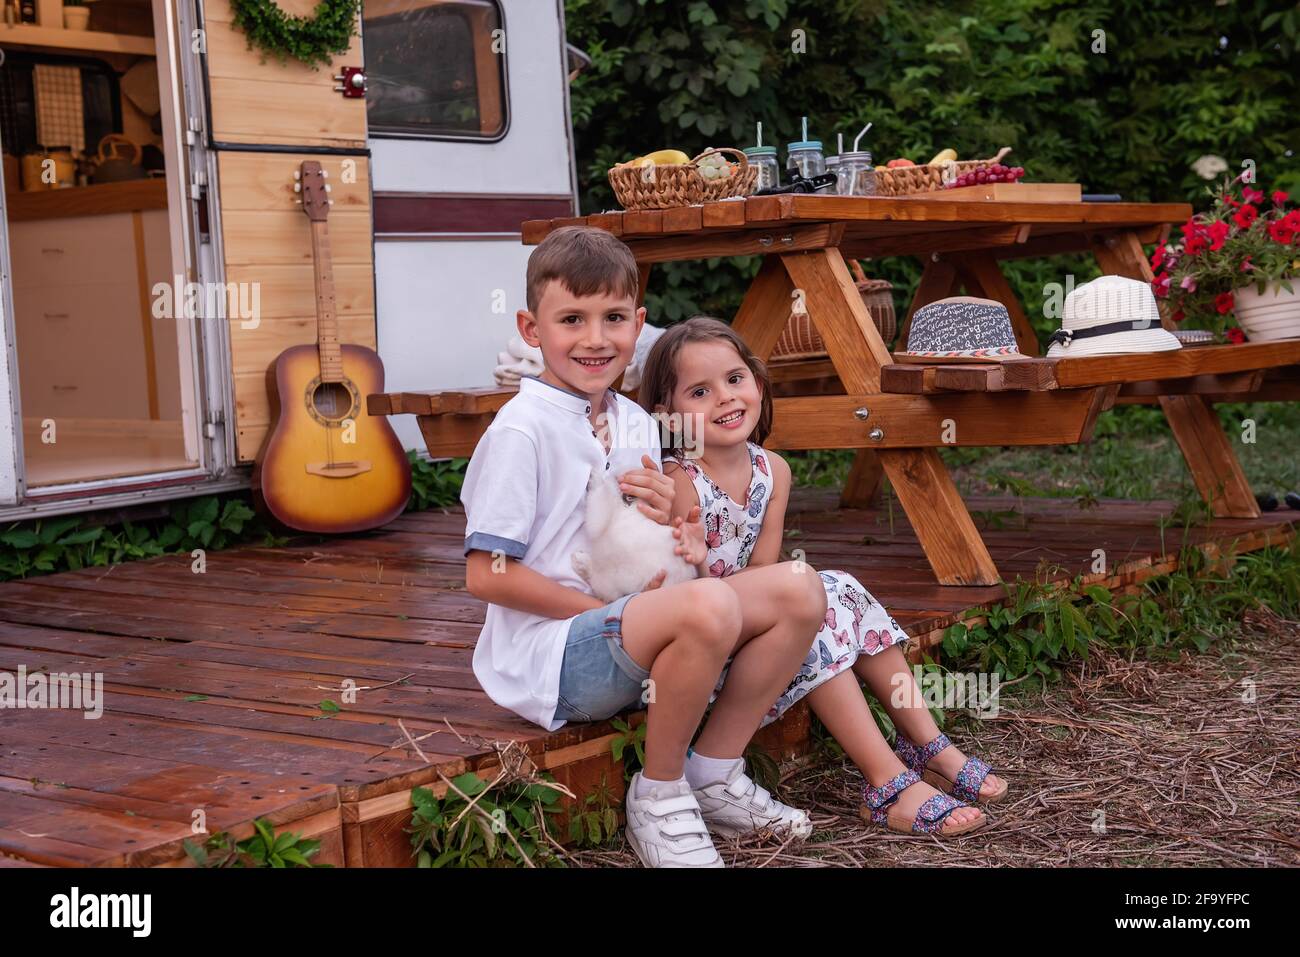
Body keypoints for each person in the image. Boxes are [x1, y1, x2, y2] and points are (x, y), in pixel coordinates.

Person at [461, 228, 827, 866]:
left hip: (639, 627)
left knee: (799, 588)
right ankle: (658, 796)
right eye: (571, 319)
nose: (596, 338)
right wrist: (610, 617)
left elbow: (644, 536)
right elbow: (487, 576)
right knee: (708, 606)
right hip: (555, 654)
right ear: (529, 327)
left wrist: (681, 534)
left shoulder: (635, 421)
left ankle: (713, 773)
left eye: (613, 318)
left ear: (639, 323)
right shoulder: (521, 431)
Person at [639, 316, 1008, 836]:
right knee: (817, 614)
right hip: (699, 650)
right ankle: (887, 783)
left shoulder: (774, 471)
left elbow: (765, 573)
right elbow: (683, 595)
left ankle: (927, 744)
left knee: (838, 589)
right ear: (669, 415)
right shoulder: (679, 479)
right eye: (700, 391)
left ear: (759, 384)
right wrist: (699, 556)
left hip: (756, 630)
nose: (725, 398)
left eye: (735, 379)